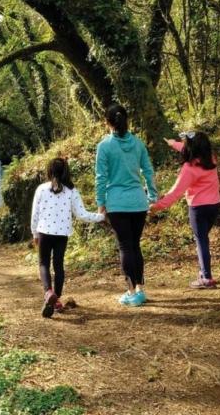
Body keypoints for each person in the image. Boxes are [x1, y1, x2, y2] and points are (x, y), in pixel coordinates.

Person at [95, 104, 157, 307]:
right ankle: (140, 288)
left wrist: (100, 204)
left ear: (108, 122)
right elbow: (148, 171)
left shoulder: (104, 146)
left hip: (117, 203)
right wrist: (152, 197)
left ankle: (131, 292)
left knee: (125, 246)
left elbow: (101, 178)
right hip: (138, 202)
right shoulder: (138, 144)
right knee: (135, 245)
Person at [31, 157, 104, 318]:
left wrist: (34, 233)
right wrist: (100, 216)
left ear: (49, 171)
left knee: (43, 263)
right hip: (62, 234)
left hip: (44, 231)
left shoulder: (41, 189)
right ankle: (56, 299)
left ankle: (48, 292)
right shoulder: (72, 191)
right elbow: (82, 214)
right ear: (66, 172)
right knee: (58, 265)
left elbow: (35, 215)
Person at [150, 132, 220, 288]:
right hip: (215, 206)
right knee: (203, 239)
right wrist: (173, 143)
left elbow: (175, 193)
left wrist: (156, 207)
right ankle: (204, 273)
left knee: (201, 241)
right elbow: (187, 148)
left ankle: (206, 278)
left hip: (198, 209)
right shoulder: (211, 159)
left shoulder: (189, 169)